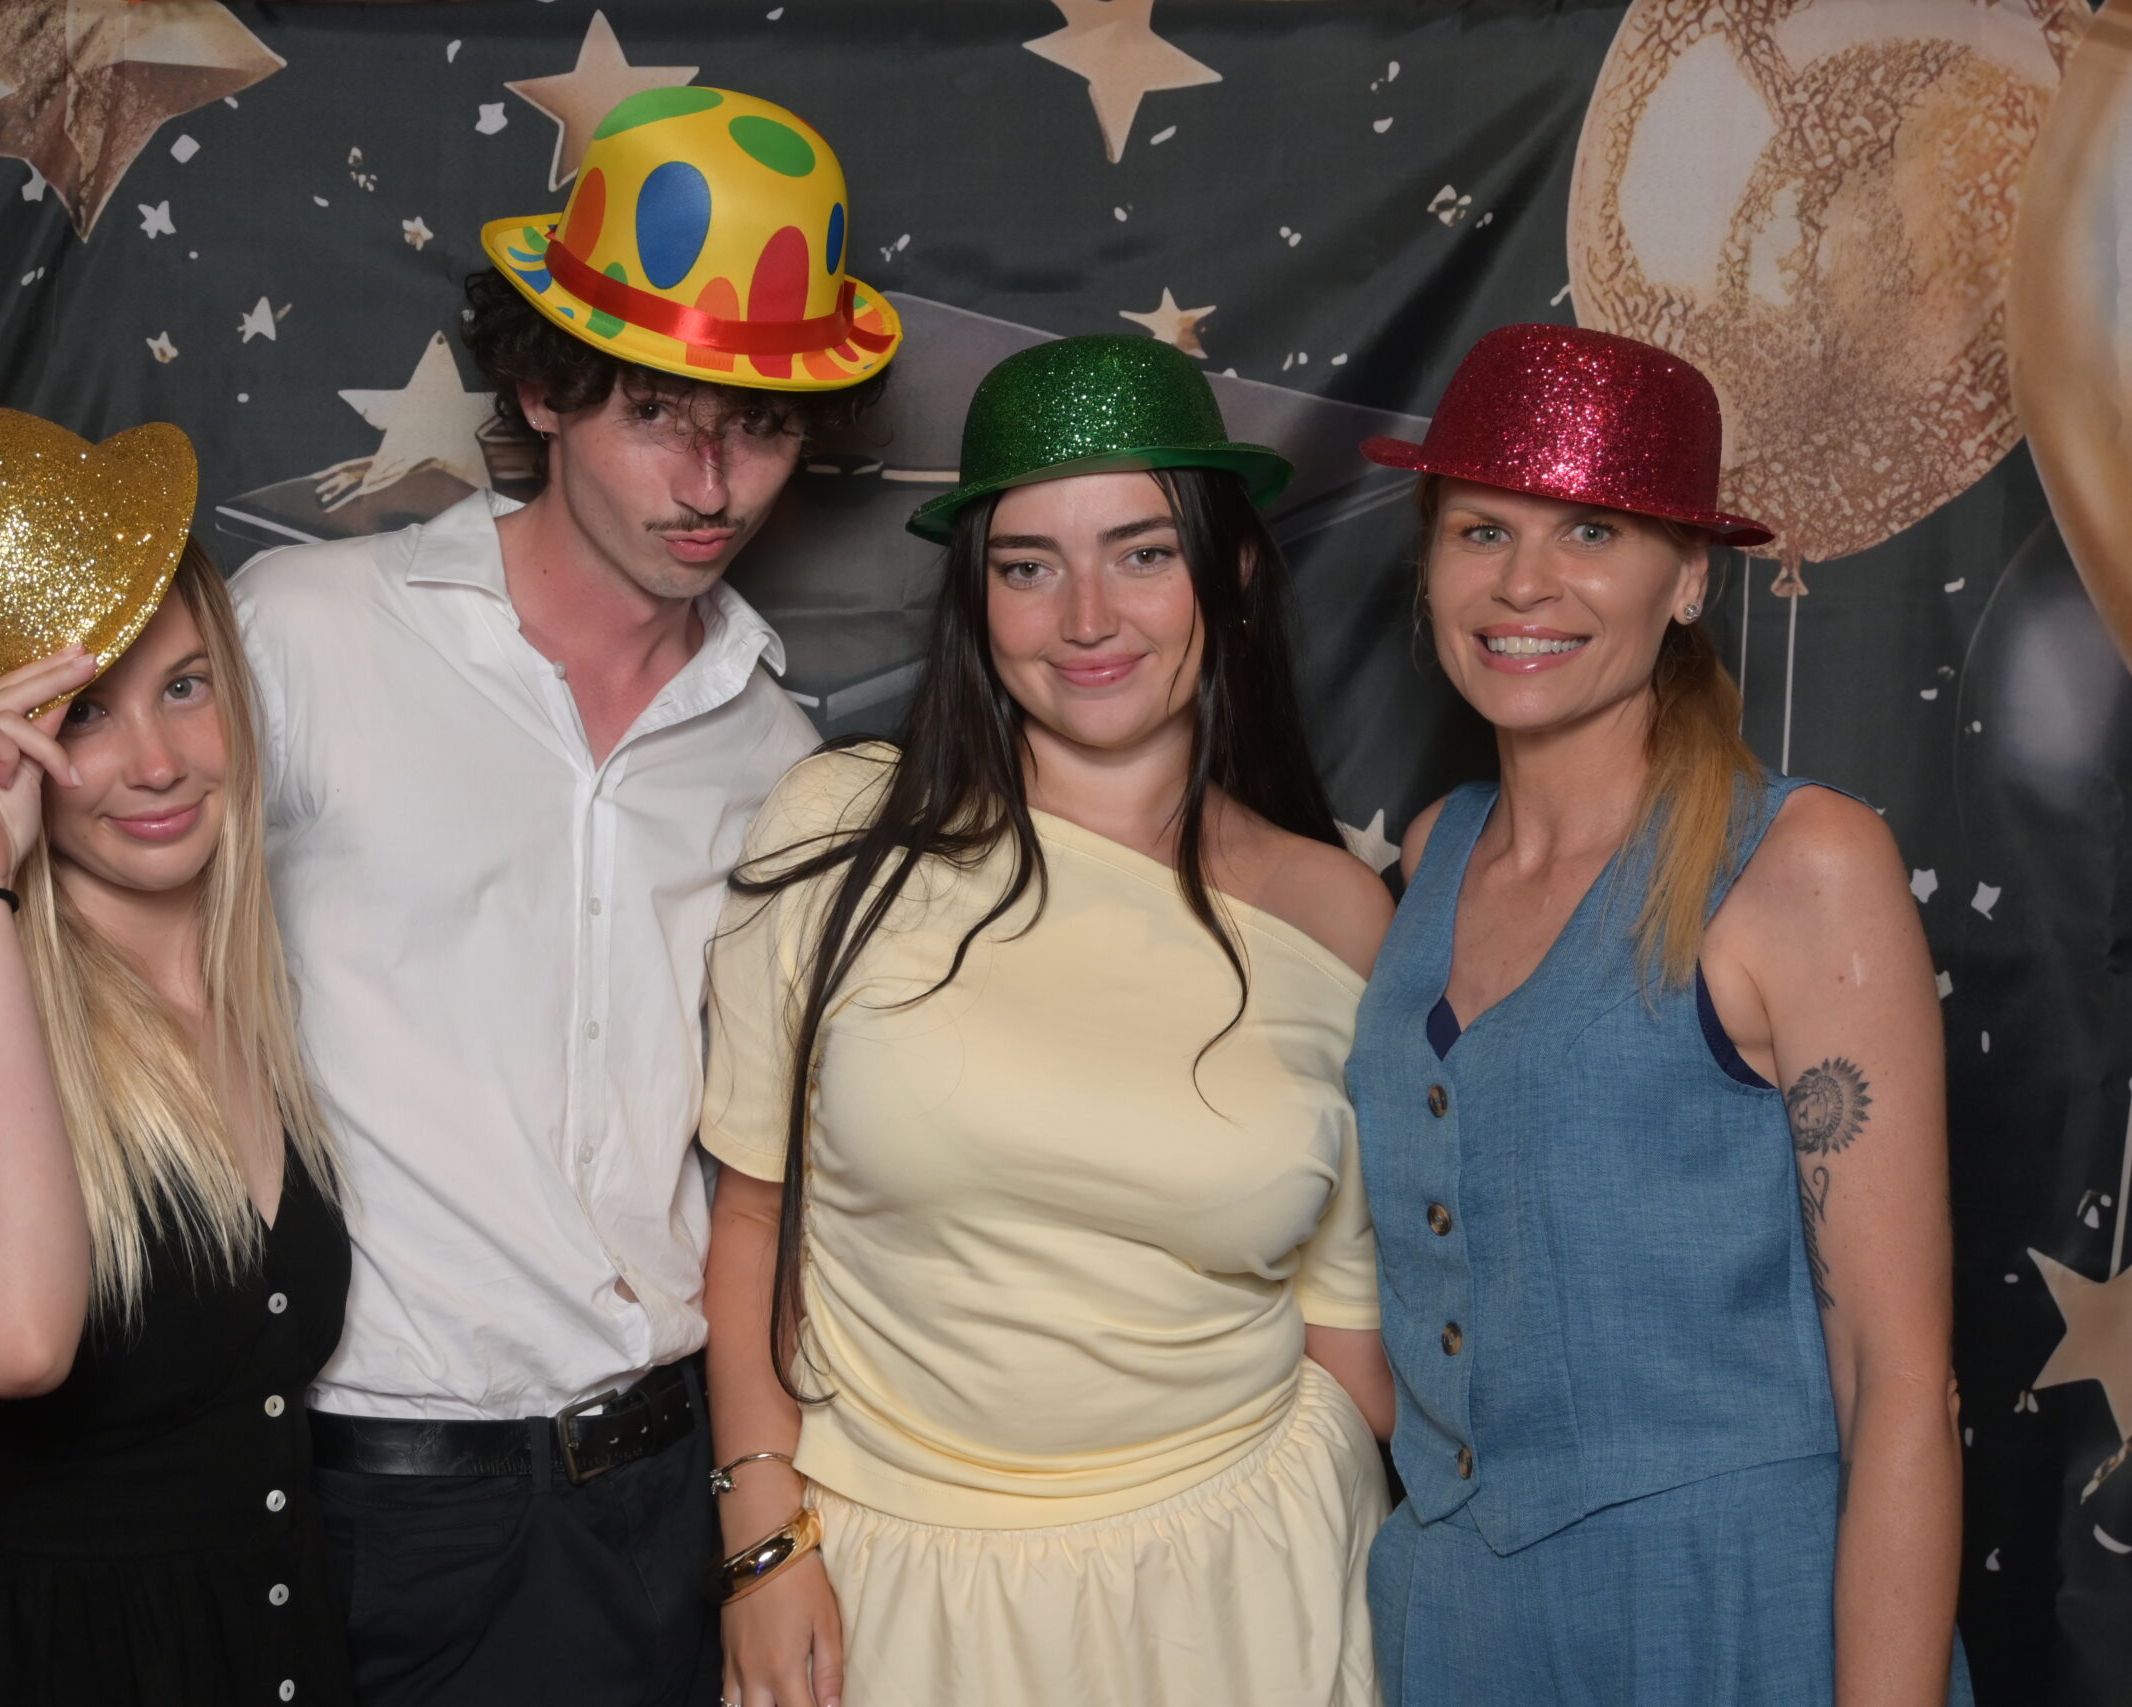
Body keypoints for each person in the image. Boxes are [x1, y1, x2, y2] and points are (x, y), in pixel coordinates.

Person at [0, 88, 899, 1705]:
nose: (712, 478)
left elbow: (777, 1173)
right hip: (369, 1501)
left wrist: (760, 1517)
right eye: (658, 413)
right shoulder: (302, 636)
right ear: (540, 384)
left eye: (758, 425)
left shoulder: (778, 751)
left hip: (671, 1491)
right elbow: (57, 947)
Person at [700, 334, 1398, 1707]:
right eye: (1030, 565)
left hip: (1246, 1583)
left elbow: (1354, 1333)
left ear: (1232, 574)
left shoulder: (1342, 920)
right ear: (977, 597)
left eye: (1141, 552)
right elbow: (747, 1222)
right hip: (895, 1586)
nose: (1088, 618)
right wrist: (760, 1543)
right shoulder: (841, 833)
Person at [1346, 323, 1967, 1705]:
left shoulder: (1803, 864)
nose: (1525, 583)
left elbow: (1897, 1382)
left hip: (1732, 1616)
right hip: (1457, 1627)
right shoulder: (1433, 852)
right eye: (1479, 531)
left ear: (1688, 579)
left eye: (1592, 533)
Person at [0, 407, 352, 1705]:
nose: (156, 762)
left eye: (183, 685)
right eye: (79, 716)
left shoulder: (277, 991)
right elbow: (9, 1342)